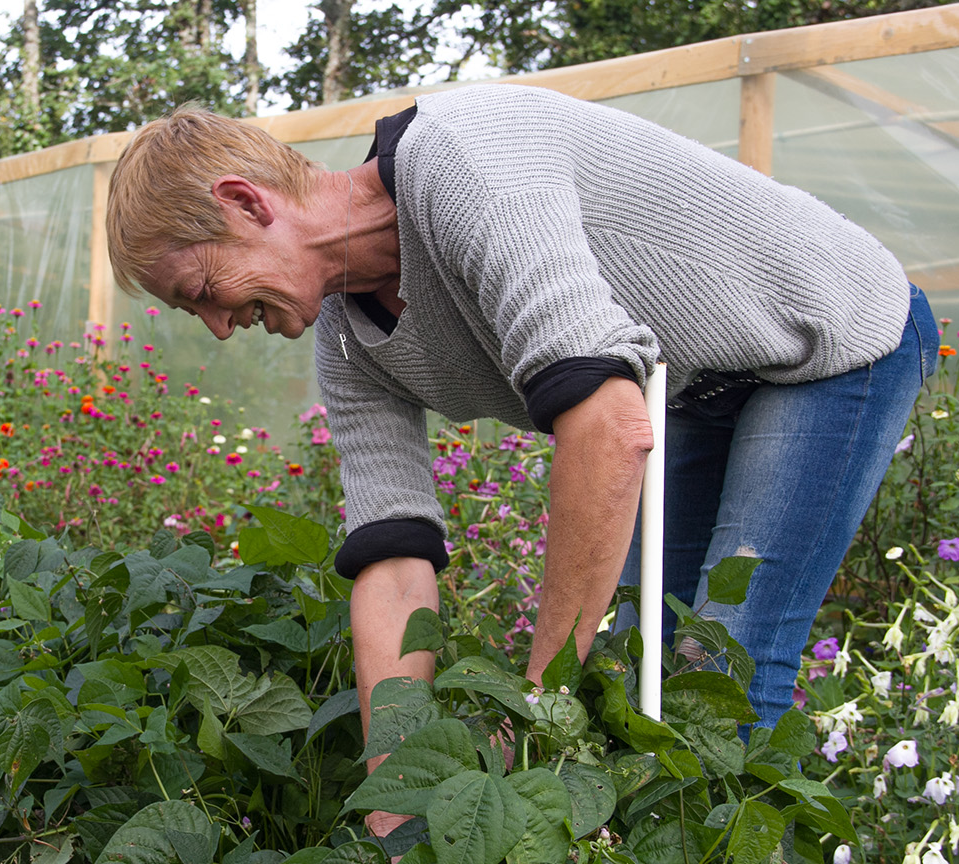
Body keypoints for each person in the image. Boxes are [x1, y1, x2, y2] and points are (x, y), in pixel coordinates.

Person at [104, 87, 939, 819]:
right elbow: (393, 569)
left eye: (203, 292)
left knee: (719, 665)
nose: (217, 327)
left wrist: (538, 708)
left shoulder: (464, 163)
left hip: (830, 338)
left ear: (247, 203)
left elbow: (607, 427)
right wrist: (394, 806)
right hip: (693, 387)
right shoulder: (349, 343)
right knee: (644, 659)